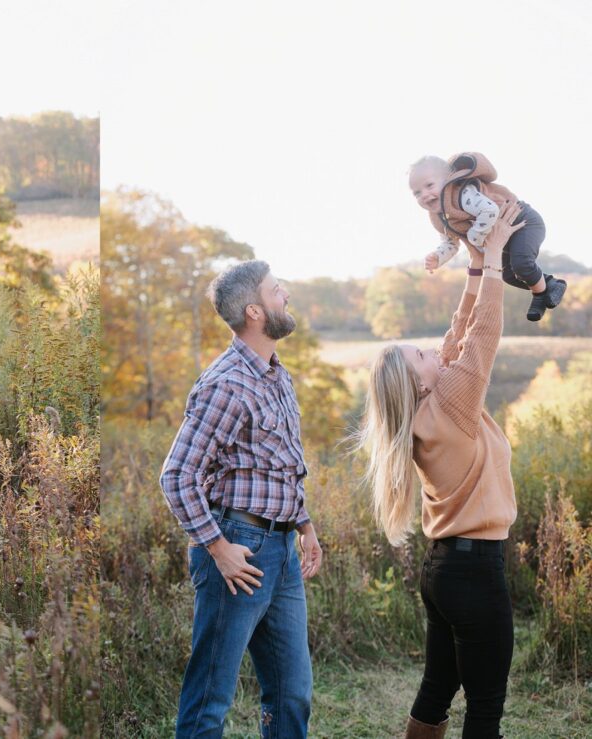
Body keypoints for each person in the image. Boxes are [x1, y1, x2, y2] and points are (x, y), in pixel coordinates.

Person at [358, 204, 527, 739]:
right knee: (485, 708)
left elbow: (459, 332)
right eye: (421, 355)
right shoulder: (451, 400)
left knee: (437, 690)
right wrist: (494, 259)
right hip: (474, 570)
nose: (434, 351)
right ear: (421, 382)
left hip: (444, 569)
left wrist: (475, 265)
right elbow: (481, 336)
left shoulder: (425, 409)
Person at [158, 259, 325, 737]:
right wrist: (218, 549)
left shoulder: (277, 374)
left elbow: (279, 463)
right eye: (276, 290)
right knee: (210, 699)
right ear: (254, 311)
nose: (286, 294)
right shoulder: (226, 383)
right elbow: (177, 475)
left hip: (282, 553)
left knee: (292, 692)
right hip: (238, 549)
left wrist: (304, 525)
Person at [412, 153, 566, 321]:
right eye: (417, 193)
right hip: (503, 238)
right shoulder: (438, 216)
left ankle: (540, 296)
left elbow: (489, 210)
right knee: (508, 275)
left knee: (521, 264)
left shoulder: (462, 193)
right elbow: (450, 242)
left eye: (429, 185)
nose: (424, 195)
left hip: (523, 222)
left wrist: (475, 237)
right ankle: (550, 285)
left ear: (448, 179)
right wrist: (438, 257)